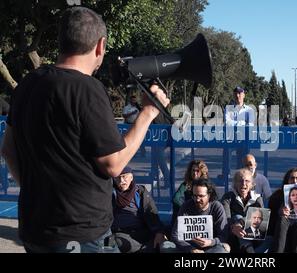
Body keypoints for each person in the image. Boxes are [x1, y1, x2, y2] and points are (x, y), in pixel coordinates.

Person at [0, 7, 169, 253]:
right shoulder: (87, 89)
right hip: (78, 235)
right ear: (100, 45)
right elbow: (113, 164)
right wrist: (148, 114)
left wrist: (35, 189)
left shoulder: (28, 84)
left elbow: (7, 149)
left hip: (35, 228)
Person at [161, 178, 229, 253]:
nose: (197, 199)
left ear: (209, 195)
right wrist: (191, 249)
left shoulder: (216, 207)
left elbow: (223, 235)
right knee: (165, 246)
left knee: (223, 249)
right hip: (188, 247)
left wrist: (210, 242)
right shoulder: (186, 206)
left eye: (201, 196)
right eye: (195, 196)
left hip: (210, 248)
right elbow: (175, 235)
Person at [111, 166, 167, 253]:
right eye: (118, 177)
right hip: (121, 233)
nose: (122, 181)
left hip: (142, 231)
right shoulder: (111, 193)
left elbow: (151, 212)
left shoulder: (140, 192)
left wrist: (159, 232)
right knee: (120, 242)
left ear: (131, 177)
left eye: (124, 176)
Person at [221, 168, 269, 253]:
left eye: (247, 181)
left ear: (252, 184)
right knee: (236, 217)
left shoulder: (258, 198)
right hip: (233, 238)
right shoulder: (228, 197)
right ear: (235, 184)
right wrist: (234, 227)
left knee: (271, 239)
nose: (243, 184)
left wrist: (241, 223)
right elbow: (226, 219)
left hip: (255, 238)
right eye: (240, 181)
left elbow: (261, 219)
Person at [224, 86, 256, 170]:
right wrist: (242, 123)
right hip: (231, 138)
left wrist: (235, 124)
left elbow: (251, 125)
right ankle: (225, 176)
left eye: (240, 93)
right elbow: (227, 122)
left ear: (244, 95)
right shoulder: (228, 109)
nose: (238, 96)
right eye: (235, 94)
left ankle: (242, 177)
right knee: (226, 156)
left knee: (243, 161)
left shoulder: (250, 110)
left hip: (244, 140)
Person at [171, 160, 208, 225]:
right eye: (193, 170)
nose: (195, 173)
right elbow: (176, 199)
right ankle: (175, 228)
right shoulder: (186, 184)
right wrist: (184, 209)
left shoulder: (206, 185)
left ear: (202, 172)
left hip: (202, 213)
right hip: (188, 214)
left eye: (197, 171)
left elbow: (213, 199)